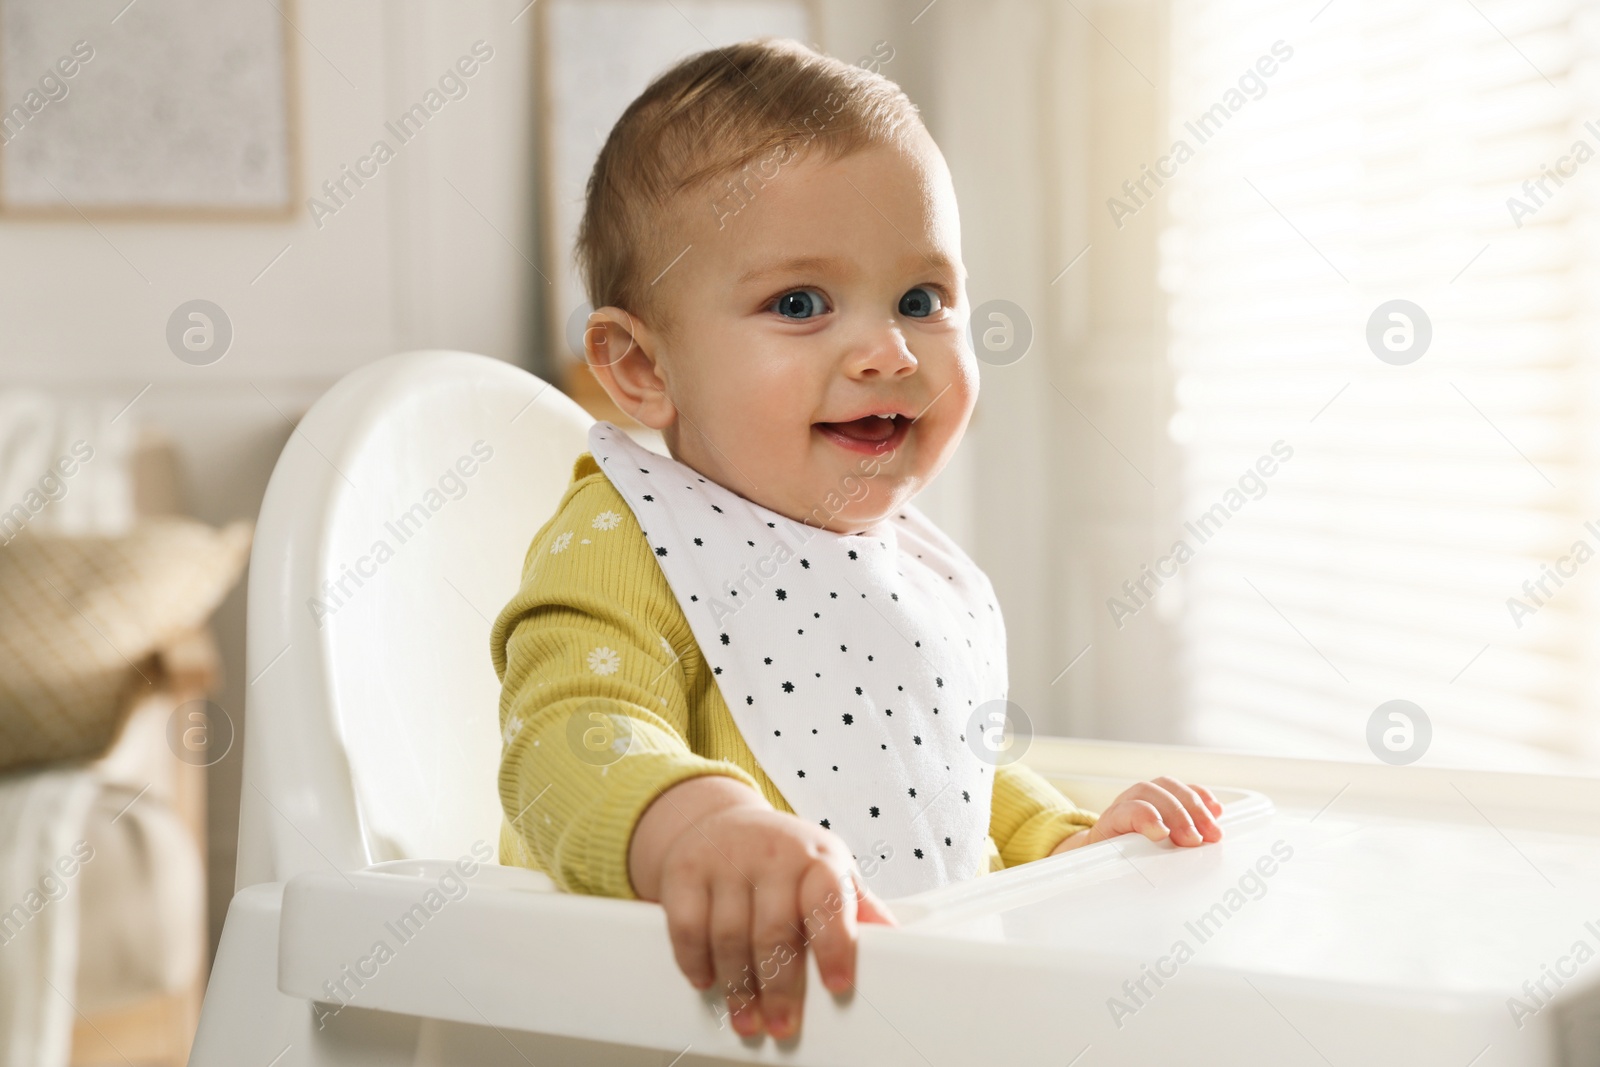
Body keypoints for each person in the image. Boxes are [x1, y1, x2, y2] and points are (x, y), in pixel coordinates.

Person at [490, 37, 1223, 1042]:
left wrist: (1063, 840)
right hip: (681, 1026)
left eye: (922, 300)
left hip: (894, 1021)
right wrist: (697, 825)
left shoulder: (897, 556)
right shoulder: (629, 534)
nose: (888, 349)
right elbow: (565, 731)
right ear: (642, 367)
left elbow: (934, 766)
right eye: (799, 304)